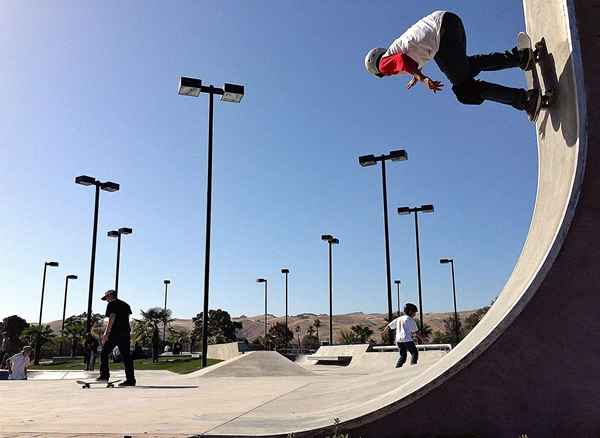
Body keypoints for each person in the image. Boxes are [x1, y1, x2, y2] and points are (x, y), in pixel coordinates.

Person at [364, 11, 540, 120]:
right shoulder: (394, 49)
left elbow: (402, 60)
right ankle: (520, 57)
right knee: (468, 67)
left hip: (442, 38)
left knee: (465, 91)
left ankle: (524, 99)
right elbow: (411, 52)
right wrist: (415, 73)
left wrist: (421, 78)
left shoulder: (383, 65)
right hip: (449, 21)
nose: (387, 75)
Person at [97, 290, 136, 386]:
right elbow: (126, 318)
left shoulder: (111, 304)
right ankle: (130, 380)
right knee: (126, 356)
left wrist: (106, 333)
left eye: (106, 298)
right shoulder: (126, 305)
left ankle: (104, 375)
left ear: (110, 296)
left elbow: (112, 317)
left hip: (115, 333)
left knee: (104, 353)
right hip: (125, 332)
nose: (106, 300)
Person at [386, 303, 421, 368]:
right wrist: (422, 339)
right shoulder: (410, 320)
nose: (415, 314)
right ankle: (413, 367)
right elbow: (416, 332)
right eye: (414, 312)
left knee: (403, 356)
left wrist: (383, 332)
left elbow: (389, 326)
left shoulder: (399, 318)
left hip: (399, 340)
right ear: (410, 311)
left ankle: (397, 367)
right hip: (407, 339)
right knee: (414, 353)